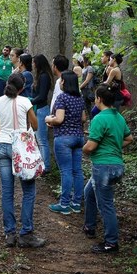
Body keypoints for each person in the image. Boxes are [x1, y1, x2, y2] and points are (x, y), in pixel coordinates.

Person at [0, 73, 46, 248]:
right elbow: (35, 125)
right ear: (22, 87)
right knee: (28, 191)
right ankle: (26, 233)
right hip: (21, 149)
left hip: (2, 146)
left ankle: (10, 233)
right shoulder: (25, 102)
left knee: (7, 191)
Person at [82, 84, 133, 253]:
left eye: (96, 97)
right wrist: (113, 146)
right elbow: (129, 138)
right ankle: (89, 227)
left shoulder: (99, 118)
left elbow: (90, 146)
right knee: (89, 192)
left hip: (104, 167)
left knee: (106, 205)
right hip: (116, 165)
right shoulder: (119, 117)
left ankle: (111, 242)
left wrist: (83, 149)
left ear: (99, 99)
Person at [45, 71, 86, 215]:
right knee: (77, 171)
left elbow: (59, 119)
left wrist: (49, 119)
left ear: (64, 82)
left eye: (61, 80)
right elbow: (83, 118)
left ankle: (64, 204)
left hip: (64, 138)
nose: (60, 82)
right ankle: (76, 203)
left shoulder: (62, 97)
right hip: (78, 137)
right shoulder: (79, 98)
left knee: (66, 171)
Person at [30, 54, 54, 173]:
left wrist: (29, 101)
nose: (33, 65)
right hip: (37, 109)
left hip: (41, 109)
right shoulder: (40, 76)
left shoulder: (44, 76)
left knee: (42, 140)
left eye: (34, 62)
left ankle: (46, 166)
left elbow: (42, 96)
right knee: (38, 139)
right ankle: (41, 164)